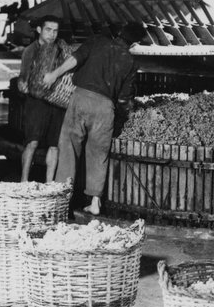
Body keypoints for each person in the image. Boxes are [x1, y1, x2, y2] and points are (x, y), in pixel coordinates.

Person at [42, 21, 148, 216]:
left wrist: (53, 75)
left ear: (118, 33)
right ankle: (95, 203)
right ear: (134, 44)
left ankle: (62, 200)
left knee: (68, 148)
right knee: (99, 154)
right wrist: (127, 115)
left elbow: (75, 59)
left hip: (81, 98)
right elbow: (125, 98)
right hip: (105, 107)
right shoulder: (131, 62)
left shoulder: (98, 42)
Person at [17, 15, 66, 183]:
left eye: (55, 31)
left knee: (55, 145)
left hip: (57, 101)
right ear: (39, 30)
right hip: (36, 102)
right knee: (32, 142)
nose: (52, 34)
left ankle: (49, 184)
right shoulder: (30, 50)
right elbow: (23, 77)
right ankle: (24, 182)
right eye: (48, 30)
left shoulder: (61, 49)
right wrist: (22, 84)